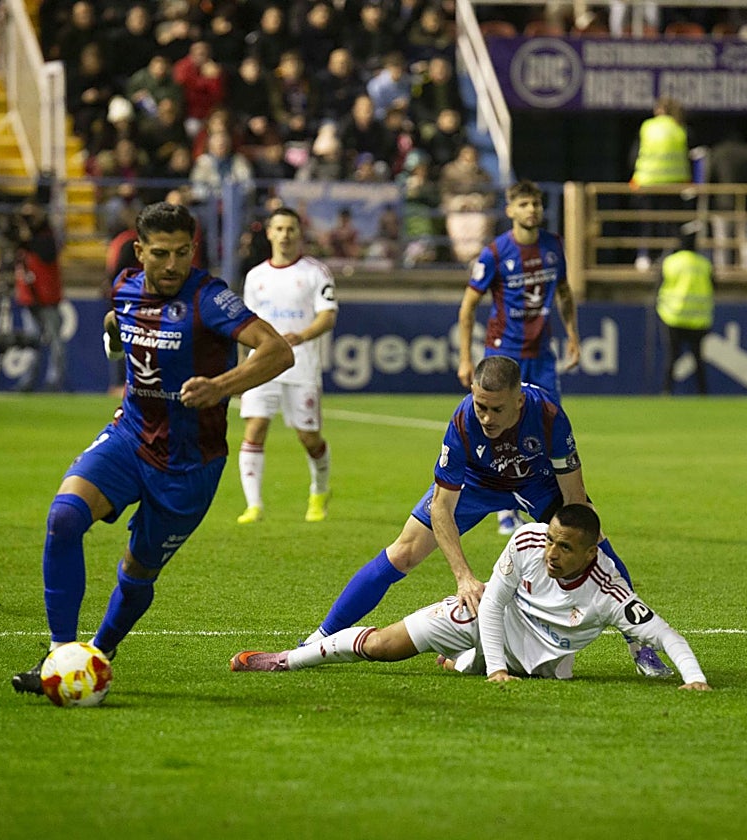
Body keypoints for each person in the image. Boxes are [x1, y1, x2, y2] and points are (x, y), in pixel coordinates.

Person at [11, 202, 294, 696]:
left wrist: (222, 386)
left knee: (137, 570)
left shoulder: (210, 298)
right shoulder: (123, 285)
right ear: (139, 250)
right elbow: (115, 323)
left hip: (190, 464)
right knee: (63, 517)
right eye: (160, 254)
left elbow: (277, 350)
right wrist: (113, 336)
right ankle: (59, 655)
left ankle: (100, 650)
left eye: (182, 253)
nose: (172, 265)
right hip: (130, 437)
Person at [300, 355, 673, 679]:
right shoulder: (463, 421)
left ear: (519, 400)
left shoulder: (548, 416)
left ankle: (638, 643)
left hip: (535, 481)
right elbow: (442, 507)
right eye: (481, 406)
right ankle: (321, 636)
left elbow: (574, 497)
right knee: (403, 552)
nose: (487, 417)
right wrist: (463, 577)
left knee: (598, 543)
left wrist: (575, 543)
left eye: (497, 409)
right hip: (478, 483)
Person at [232, 504, 710, 690]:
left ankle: (464, 661)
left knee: (474, 663)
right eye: (551, 540)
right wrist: (497, 666)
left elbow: (667, 635)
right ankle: (286, 660)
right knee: (382, 647)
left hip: (538, 663)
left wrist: (694, 681)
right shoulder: (526, 542)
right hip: (481, 617)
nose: (552, 552)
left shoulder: (610, 592)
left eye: (565, 547)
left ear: (591, 553)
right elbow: (495, 605)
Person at [456, 180, 580, 534]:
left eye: (537, 203)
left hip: (541, 354)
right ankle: (505, 507)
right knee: (498, 430)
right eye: (524, 204)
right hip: (504, 355)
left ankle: (548, 504)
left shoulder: (554, 246)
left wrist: (573, 335)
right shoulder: (495, 253)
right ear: (510, 210)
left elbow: (565, 293)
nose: (532, 210)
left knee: (549, 426)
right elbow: (468, 307)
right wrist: (466, 358)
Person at [236, 207, 338, 524]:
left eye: (290, 229)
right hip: (260, 363)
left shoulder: (315, 272)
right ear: (268, 233)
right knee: (255, 428)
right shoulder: (255, 277)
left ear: (299, 233)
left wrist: (303, 335)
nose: (284, 235)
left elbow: (328, 315)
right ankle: (254, 506)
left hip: (301, 364)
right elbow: (246, 325)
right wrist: (242, 368)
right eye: (278, 228)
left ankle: (319, 491)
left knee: (309, 437)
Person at [629, 96, 691, 271]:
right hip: (673, 184)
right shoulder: (681, 129)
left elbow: (635, 154)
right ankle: (668, 257)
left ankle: (643, 257)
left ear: (659, 110)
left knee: (647, 221)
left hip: (647, 182)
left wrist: (636, 177)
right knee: (669, 222)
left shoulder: (647, 126)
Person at [10, 199, 66, 392]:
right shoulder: (21, 239)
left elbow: (47, 253)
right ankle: (28, 380)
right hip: (29, 297)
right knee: (31, 342)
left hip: (47, 298)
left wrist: (29, 234)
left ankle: (54, 381)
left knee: (55, 341)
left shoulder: (47, 237)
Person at [657, 223, 714, 395]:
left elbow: (659, 286)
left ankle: (667, 392)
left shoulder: (671, 262)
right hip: (698, 320)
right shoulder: (704, 264)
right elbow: (713, 286)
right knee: (698, 359)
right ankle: (703, 393)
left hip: (673, 317)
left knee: (672, 358)